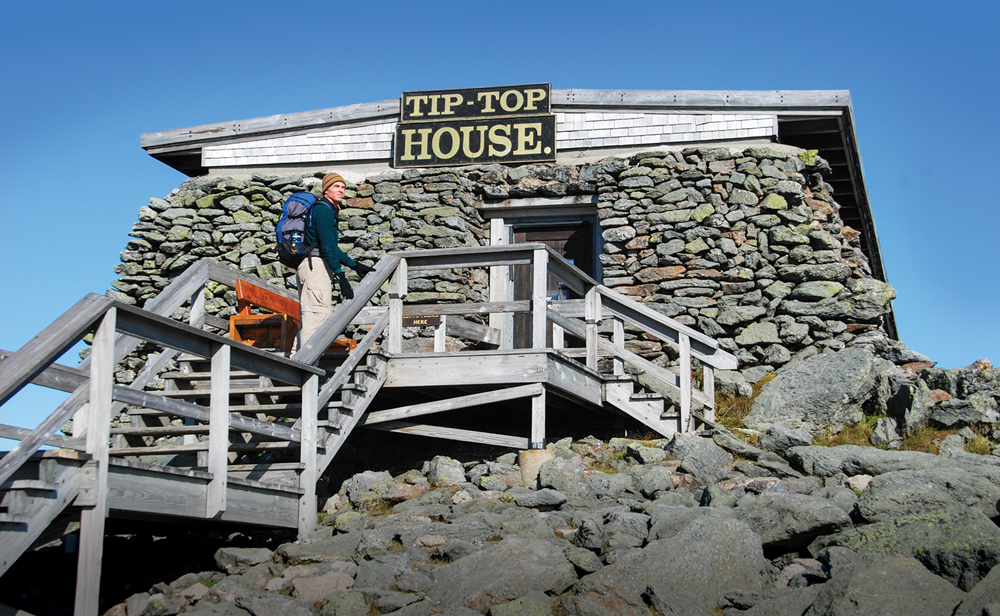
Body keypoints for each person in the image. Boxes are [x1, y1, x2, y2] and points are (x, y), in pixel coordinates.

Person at [295, 172, 374, 350]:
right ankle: (305, 372)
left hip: (312, 266)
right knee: (316, 318)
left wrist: (354, 265)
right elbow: (328, 249)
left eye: (343, 187)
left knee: (310, 318)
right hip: (316, 268)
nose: (341, 190)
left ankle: (294, 365)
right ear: (326, 190)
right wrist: (341, 277)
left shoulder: (326, 209)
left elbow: (331, 248)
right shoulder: (324, 210)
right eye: (336, 186)